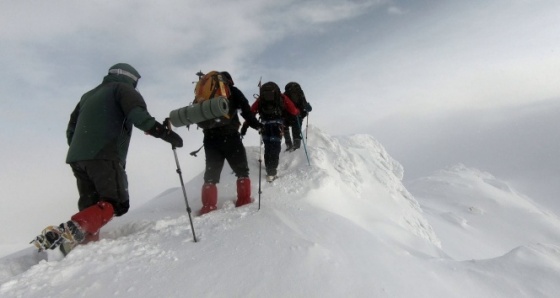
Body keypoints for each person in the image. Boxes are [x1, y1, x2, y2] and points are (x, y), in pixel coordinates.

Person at [32, 63, 183, 255]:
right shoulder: (124, 89)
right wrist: (164, 134)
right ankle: (68, 231)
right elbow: (138, 115)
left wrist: (83, 148)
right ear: (132, 78)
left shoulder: (88, 96)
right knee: (116, 202)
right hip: (104, 154)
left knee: (92, 204)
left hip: (78, 157)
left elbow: (71, 129)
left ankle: (83, 247)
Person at [199, 71, 262, 215]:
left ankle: (208, 207)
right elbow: (246, 111)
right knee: (241, 171)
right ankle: (244, 200)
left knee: (211, 174)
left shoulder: (204, 94)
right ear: (229, 81)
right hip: (230, 136)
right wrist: (258, 126)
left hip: (209, 138)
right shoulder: (232, 91)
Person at [246, 81, 299, 182]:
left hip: (264, 125)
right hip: (277, 125)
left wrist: (255, 123)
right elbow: (292, 110)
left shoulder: (261, 99)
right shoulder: (281, 97)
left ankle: (269, 168)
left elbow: (251, 111)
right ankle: (272, 172)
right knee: (275, 147)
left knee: (268, 147)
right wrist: (297, 112)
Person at [283, 82, 312, 152]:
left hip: (287, 116)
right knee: (296, 130)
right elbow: (307, 107)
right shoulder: (300, 93)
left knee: (285, 128)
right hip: (297, 115)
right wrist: (307, 108)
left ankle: (288, 144)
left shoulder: (285, 95)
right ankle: (296, 146)